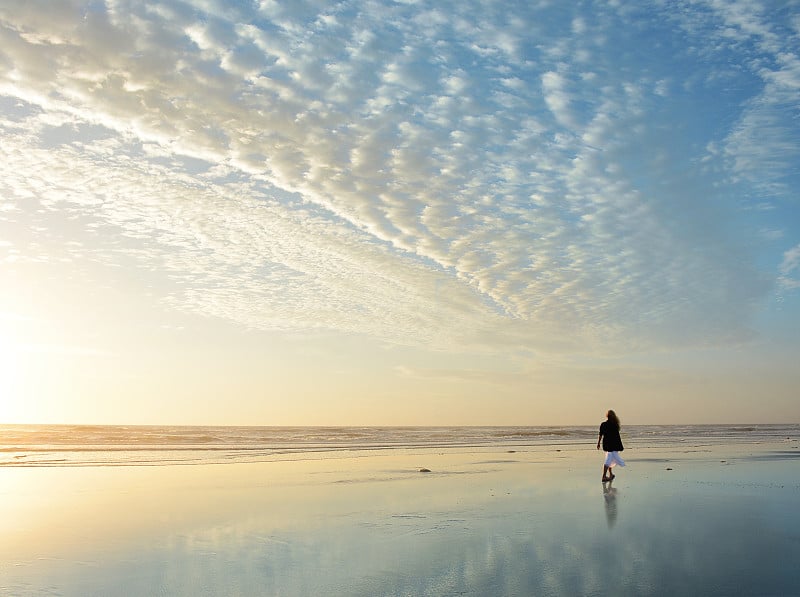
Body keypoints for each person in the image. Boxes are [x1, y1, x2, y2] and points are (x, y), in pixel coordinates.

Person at [597, 410, 625, 482]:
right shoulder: (615, 424)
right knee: (608, 460)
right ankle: (604, 476)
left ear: (607, 416)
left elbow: (600, 435)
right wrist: (619, 445)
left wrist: (598, 443)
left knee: (610, 459)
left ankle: (611, 474)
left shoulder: (603, 424)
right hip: (613, 444)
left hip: (607, 444)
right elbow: (617, 436)